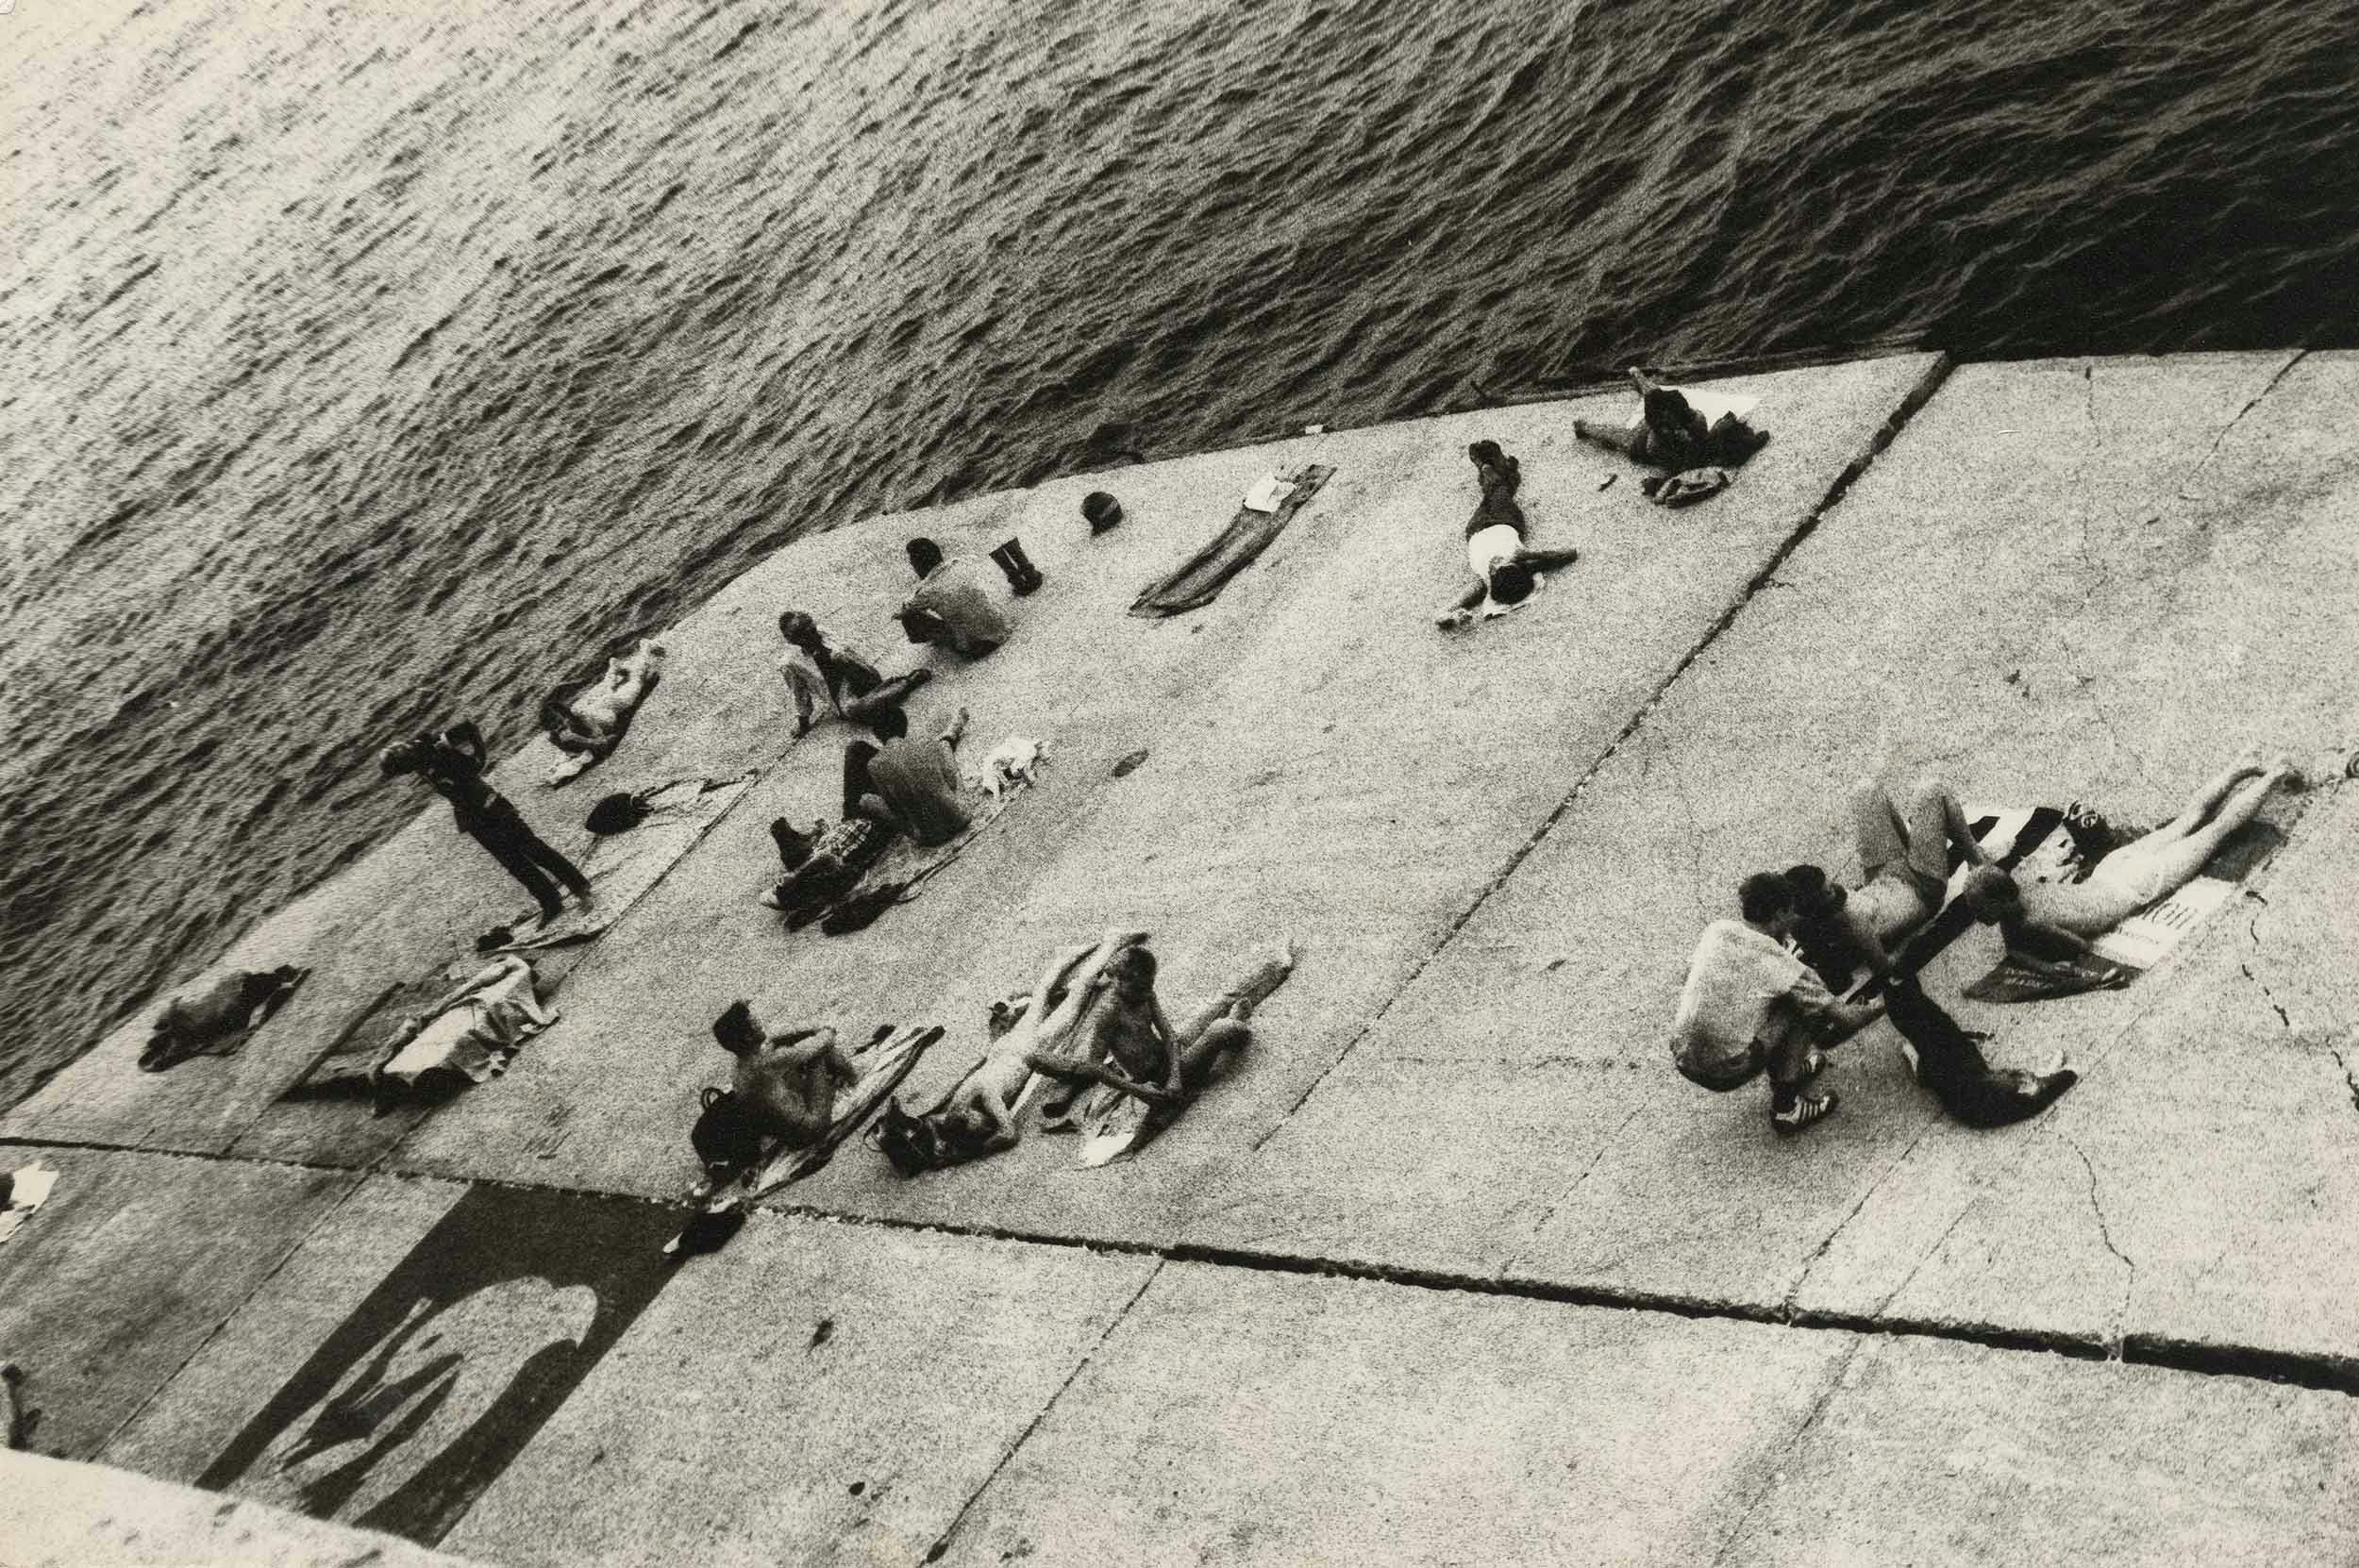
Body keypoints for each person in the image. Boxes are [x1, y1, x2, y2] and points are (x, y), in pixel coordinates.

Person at [1965, 752, 2300, 942]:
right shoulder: (2024, 890)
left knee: (2217, 830)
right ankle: (2241, 766)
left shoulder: (2030, 923)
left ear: (2000, 903)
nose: (1982, 919)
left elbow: (2077, 947)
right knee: (2188, 818)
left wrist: (2045, 951)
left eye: (1984, 911)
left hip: (2133, 883)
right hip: (2114, 868)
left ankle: (2275, 774)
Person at [1671, 873, 1882, 1133]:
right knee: (1804, 1008)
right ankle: (1787, 1108)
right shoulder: (1784, 966)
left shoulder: (1718, 930)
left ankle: (1785, 1069)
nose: (1795, 918)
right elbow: (1845, 1018)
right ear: (1781, 914)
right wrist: (1877, 1007)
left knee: (1767, 999)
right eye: (1792, 912)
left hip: (1683, 1055)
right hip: (1726, 1070)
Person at [1034, 938, 1298, 1128]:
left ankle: (1277, 965)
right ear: (1119, 981)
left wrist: (1175, 1076)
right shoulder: (1108, 1012)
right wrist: (1139, 1090)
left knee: (1219, 1001)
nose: (1146, 991)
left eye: (1148, 984)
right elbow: (1095, 1067)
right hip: (1153, 1076)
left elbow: (1170, 1036)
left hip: (1172, 1059)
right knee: (1224, 1027)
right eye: (1139, 986)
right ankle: (1237, 1018)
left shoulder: (1145, 992)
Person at [381, 723, 592, 922]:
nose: (408, 774)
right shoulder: (419, 755)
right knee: (513, 863)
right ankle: (551, 903)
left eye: (405, 770)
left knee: (534, 849)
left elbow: (468, 727)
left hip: (489, 804)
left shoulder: (435, 747)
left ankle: (580, 889)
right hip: (470, 814)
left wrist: (480, 757)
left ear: (406, 760)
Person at [1804, 774, 1999, 982]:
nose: (1834, 887)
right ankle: (1976, 860)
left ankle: (1919, 845)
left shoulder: (1809, 919)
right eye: (1829, 890)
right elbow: (1886, 970)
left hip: (1882, 879)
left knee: (1865, 790)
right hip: (1920, 887)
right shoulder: (1855, 921)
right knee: (1933, 789)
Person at [371, 954, 558, 1102]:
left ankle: (417, 1071)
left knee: (455, 1035)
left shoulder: (513, 969)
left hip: (486, 1005)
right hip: (484, 1005)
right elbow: (475, 985)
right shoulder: (513, 971)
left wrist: (441, 1008)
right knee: (452, 1034)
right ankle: (414, 1071)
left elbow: (472, 986)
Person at [1436, 441, 1581, 628]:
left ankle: (1500, 469)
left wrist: (1451, 617)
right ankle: (1496, 469)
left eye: (1494, 567)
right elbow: (1564, 555)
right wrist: (1527, 555)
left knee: (1492, 494)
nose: (1495, 562)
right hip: (1506, 520)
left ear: (1492, 578)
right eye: (1502, 562)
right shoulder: (1521, 562)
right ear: (1518, 564)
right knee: (1500, 491)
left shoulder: (1483, 583)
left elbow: (1443, 612)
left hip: (1475, 529)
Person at [710, 1002, 862, 1150]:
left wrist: (805, 1032)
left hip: (789, 1138)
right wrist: (827, 1030)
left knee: (795, 1062)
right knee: (820, 1054)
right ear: (748, 1037)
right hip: (812, 1129)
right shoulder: (766, 1062)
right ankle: (856, 1080)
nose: (760, 1024)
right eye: (755, 1023)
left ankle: (841, 1080)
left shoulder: (740, 1067)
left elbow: (772, 1042)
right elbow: (818, 1045)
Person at [777, 611, 933, 736]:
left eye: (813, 628)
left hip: (857, 673)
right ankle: (906, 683)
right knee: (855, 710)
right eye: (808, 634)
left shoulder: (822, 632)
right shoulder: (790, 663)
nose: (815, 634)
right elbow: (799, 693)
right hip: (840, 692)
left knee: (868, 706)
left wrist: (841, 659)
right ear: (795, 641)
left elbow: (855, 658)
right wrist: (803, 722)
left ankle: (883, 694)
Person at [1574, 368, 1766, 469]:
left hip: (1663, 427)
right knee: (1619, 437)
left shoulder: (1696, 418)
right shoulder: (1654, 444)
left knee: (1655, 395)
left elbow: (1700, 439)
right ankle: (1583, 427)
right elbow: (1678, 466)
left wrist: (1692, 438)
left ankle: (1637, 375)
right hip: (1644, 440)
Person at [848, 705, 972, 847]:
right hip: (960, 817)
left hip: (930, 836)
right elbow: (951, 782)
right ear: (905, 726)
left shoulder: (874, 765)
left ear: (877, 735)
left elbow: (895, 807)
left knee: (866, 800)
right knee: (944, 745)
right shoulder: (924, 741)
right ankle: (950, 734)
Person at [541, 639, 666, 777]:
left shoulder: (575, 721)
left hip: (610, 708)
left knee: (637, 682)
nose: (560, 727)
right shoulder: (560, 735)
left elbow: (603, 743)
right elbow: (587, 744)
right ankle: (613, 667)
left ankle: (646, 649)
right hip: (600, 710)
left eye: (559, 723)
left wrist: (585, 748)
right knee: (608, 691)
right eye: (556, 726)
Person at [897, 538, 1012, 659]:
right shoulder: (958, 564)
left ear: (917, 564)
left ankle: (944, 639)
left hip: (976, 646)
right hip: (1002, 627)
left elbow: (905, 608)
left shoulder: (925, 591)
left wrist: (922, 586)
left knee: (909, 617)